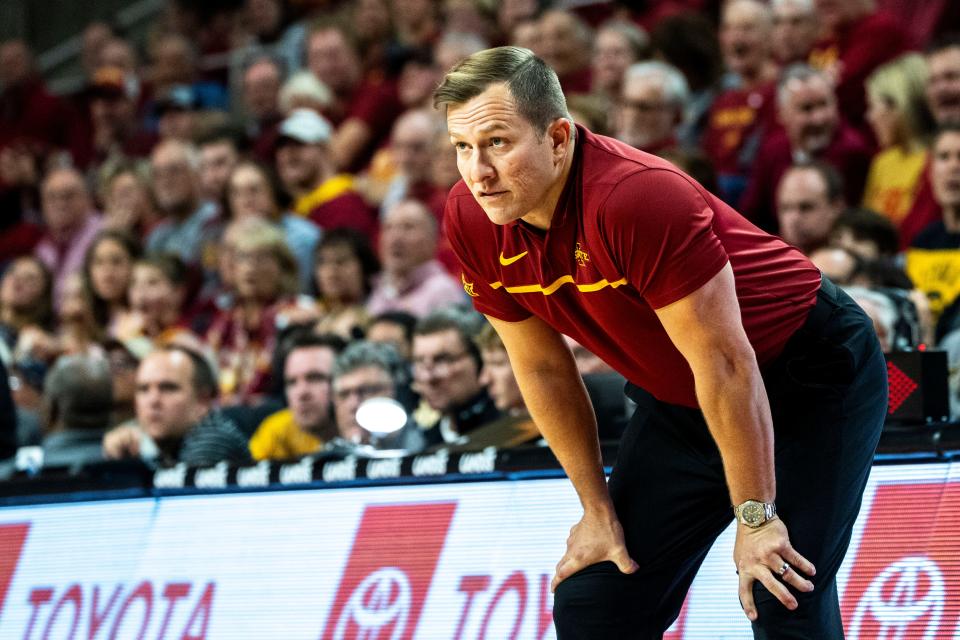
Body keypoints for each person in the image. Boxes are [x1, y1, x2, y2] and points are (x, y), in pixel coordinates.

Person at [435, 47, 886, 637]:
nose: (478, 171)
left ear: (558, 137)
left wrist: (755, 517)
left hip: (807, 374)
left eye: (496, 142)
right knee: (596, 601)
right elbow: (542, 370)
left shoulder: (635, 199)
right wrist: (595, 511)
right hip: (682, 399)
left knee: (782, 590)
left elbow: (727, 364)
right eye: (462, 148)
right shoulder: (472, 217)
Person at [102, 346, 251, 467]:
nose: (153, 400)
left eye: (168, 388)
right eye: (143, 389)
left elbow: (176, 497)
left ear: (202, 401)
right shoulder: (163, 440)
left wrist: (131, 464)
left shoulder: (213, 437)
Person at [862, 54, 936, 227]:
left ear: (899, 106)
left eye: (873, 106)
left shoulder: (938, 159)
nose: (870, 118)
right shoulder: (882, 163)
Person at [249, 332, 344, 461]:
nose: (301, 392)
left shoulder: (368, 428)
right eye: (292, 382)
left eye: (315, 378)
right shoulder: (277, 431)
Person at [367, 199, 465, 317]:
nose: (395, 238)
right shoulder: (379, 289)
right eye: (388, 227)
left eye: (408, 227)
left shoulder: (443, 290)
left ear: (433, 240)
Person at [34, 167, 103, 310]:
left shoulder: (104, 234)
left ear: (87, 198)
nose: (60, 204)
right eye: (51, 197)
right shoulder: (42, 248)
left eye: (68, 196)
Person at [775, 163, 845, 255]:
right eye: (786, 208)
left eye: (806, 207)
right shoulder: (765, 258)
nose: (794, 219)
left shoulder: (857, 261)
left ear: (836, 207)